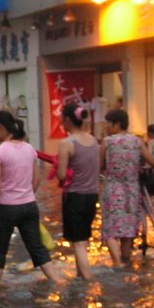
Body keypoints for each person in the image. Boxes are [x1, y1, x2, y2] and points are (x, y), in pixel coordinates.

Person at [0, 110, 59, 287]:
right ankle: (57, 280)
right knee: (37, 247)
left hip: (6, 207)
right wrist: (27, 195)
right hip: (29, 206)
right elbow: (37, 178)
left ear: (1, 127)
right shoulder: (29, 148)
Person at [100, 109, 154, 266]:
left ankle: (117, 262)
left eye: (108, 123)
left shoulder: (107, 142)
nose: (106, 127)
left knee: (111, 229)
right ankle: (126, 259)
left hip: (113, 189)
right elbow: (152, 161)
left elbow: (99, 166)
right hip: (132, 190)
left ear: (117, 124)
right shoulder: (137, 141)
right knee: (128, 227)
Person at [56, 103, 100, 280]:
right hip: (92, 195)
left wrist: (61, 171)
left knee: (79, 243)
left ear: (67, 120)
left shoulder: (66, 143)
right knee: (84, 239)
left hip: (74, 197)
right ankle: (80, 276)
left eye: (62, 119)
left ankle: (88, 280)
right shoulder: (94, 141)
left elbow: (61, 175)